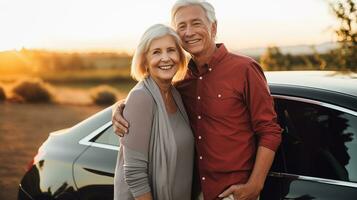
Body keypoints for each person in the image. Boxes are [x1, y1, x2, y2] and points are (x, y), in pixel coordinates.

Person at [112, 1, 282, 200]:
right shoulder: (181, 80)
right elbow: (151, 98)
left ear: (213, 27)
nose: (189, 32)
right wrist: (121, 107)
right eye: (181, 26)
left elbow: (269, 130)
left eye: (196, 23)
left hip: (233, 193)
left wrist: (255, 185)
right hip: (193, 191)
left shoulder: (245, 69)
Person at [113, 24, 194, 200]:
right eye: (156, 52)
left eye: (171, 50)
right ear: (144, 60)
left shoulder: (175, 94)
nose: (165, 58)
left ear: (180, 57)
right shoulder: (141, 97)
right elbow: (134, 174)